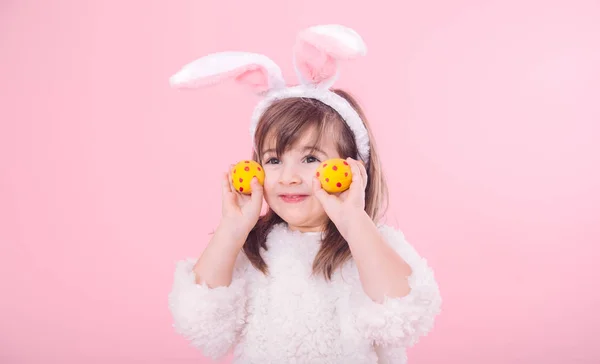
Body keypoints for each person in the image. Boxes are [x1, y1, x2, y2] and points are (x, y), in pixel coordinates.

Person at [167, 24, 442, 364]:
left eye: (311, 158)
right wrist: (232, 229)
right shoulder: (253, 249)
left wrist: (354, 221)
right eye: (273, 160)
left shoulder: (372, 244)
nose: (288, 177)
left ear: (351, 169)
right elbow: (200, 320)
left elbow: (405, 315)